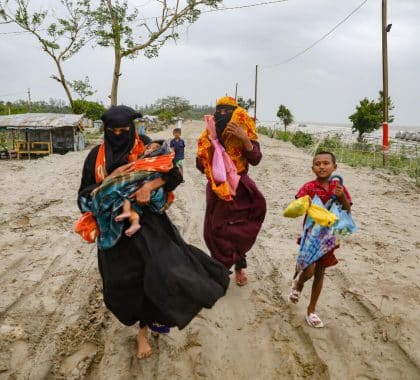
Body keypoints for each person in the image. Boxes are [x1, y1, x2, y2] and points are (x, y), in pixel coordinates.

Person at [77, 105, 230, 359]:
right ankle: (141, 317)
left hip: (148, 226)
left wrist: (150, 185)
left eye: (124, 130)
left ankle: (143, 331)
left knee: (156, 274)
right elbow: (83, 196)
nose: (119, 135)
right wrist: (109, 182)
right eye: (113, 131)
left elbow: (174, 175)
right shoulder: (95, 157)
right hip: (112, 231)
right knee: (119, 286)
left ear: (133, 128)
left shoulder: (147, 146)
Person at [196, 96, 266, 286]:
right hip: (217, 188)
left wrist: (243, 138)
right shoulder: (208, 134)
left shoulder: (246, 131)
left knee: (239, 228)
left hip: (240, 187)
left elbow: (256, 159)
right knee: (215, 229)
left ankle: (239, 266)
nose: (223, 115)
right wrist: (212, 149)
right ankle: (220, 267)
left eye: (228, 111)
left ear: (237, 114)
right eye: (220, 111)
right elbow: (200, 165)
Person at [288, 151, 352, 328]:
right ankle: (299, 283)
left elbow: (347, 212)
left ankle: (311, 310)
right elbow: (297, 207)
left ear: (335, 167)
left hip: (329, 238)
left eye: (326, 163)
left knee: (320, 273)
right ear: (312, 168)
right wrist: (303, 204)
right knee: (308, 271)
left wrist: (341, 198)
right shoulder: (308, 187)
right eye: (318, 164)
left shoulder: (340, 188)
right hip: (311, 237)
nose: (322, 166)